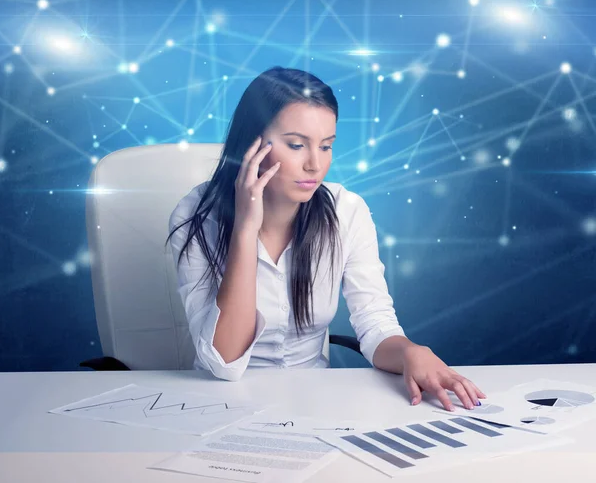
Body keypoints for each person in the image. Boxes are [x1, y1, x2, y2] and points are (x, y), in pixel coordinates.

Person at [166, 65, 486, 412]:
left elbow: (375, 324)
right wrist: (245, 229)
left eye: (326, 146)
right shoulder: (195, 216)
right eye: (296, 145)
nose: (315, 165)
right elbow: (223, 362)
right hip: (218, 404)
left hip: (314, 404)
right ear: (252, 143)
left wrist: (411, 351)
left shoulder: (346, 211)